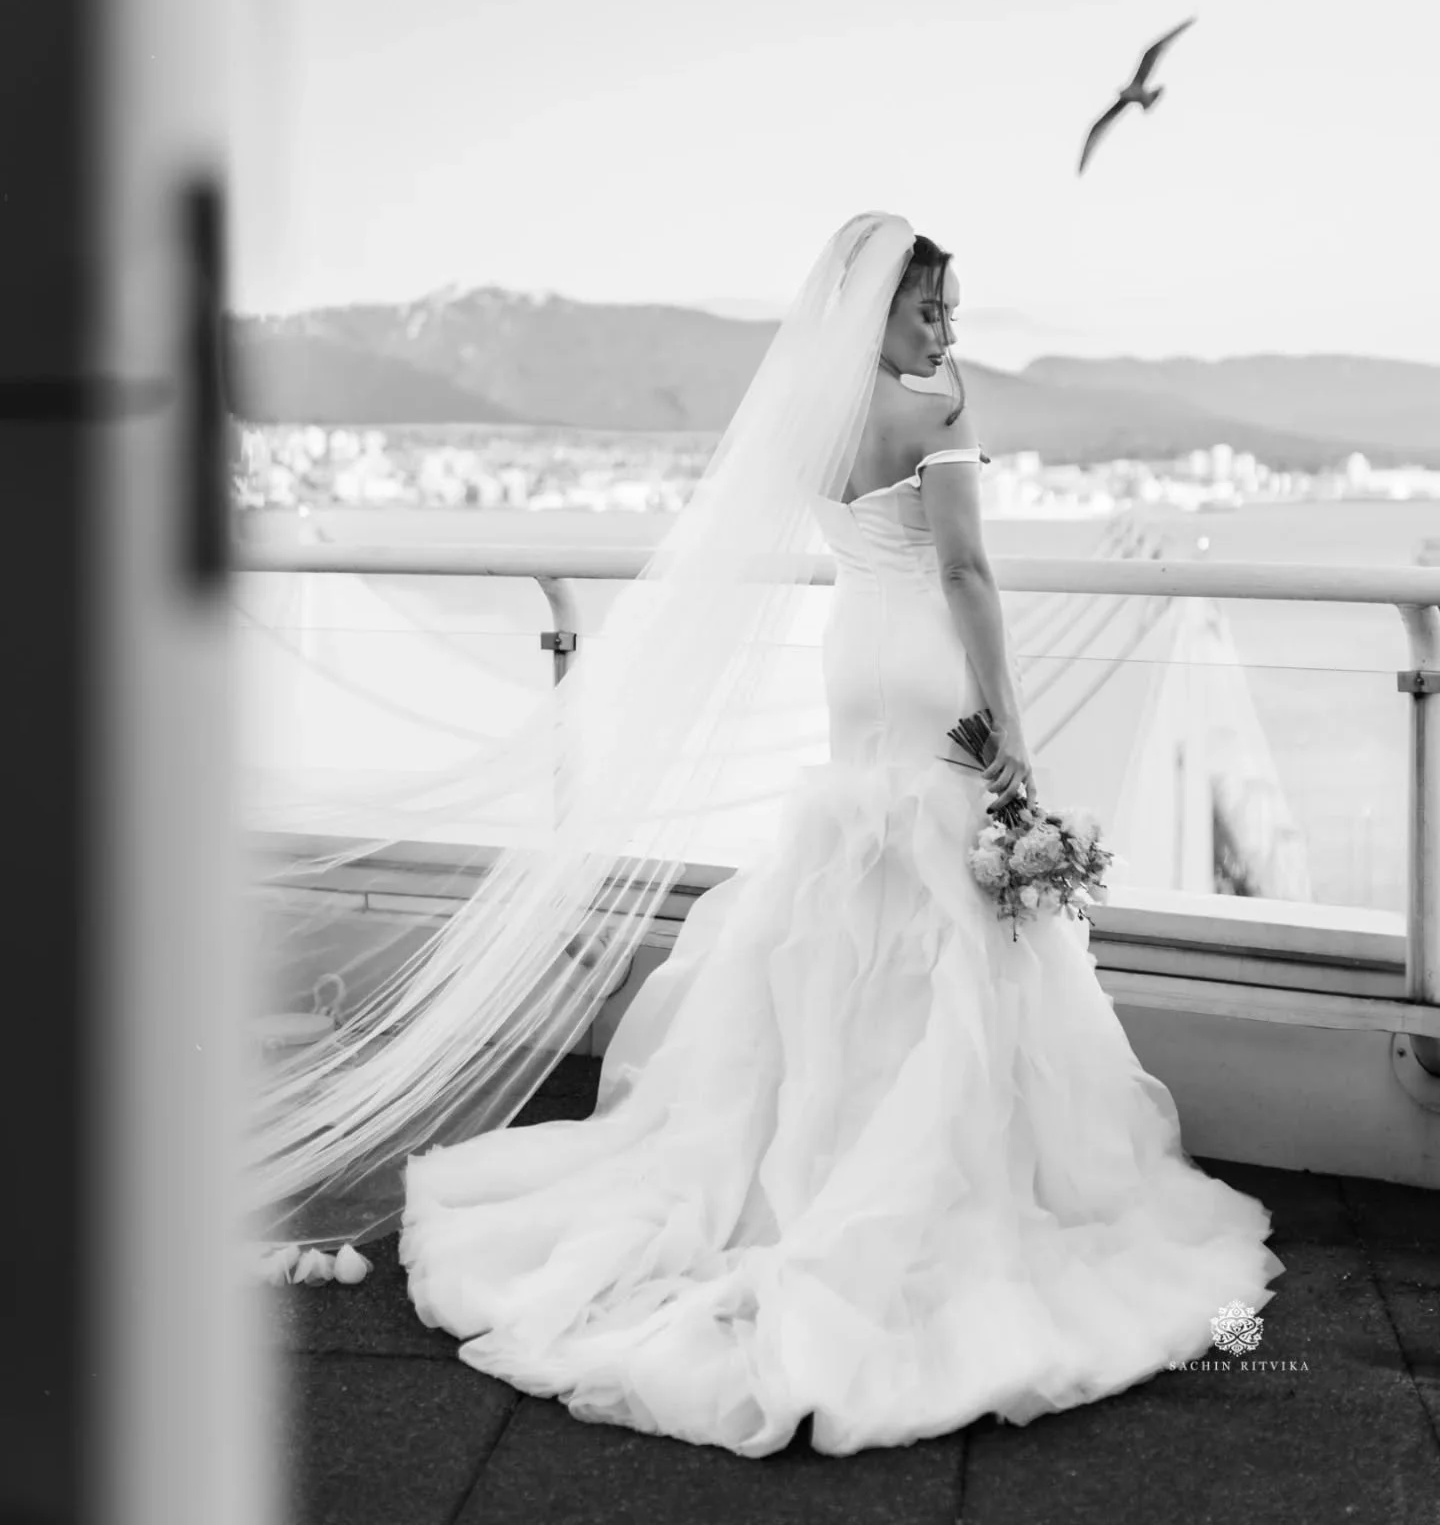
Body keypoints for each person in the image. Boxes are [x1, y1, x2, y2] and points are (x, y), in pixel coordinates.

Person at [374, 218, 1285, 1458]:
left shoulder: (817, 415)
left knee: (856, 894)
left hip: (854, 665)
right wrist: (1011, 728)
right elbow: (966, 575)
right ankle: (933, 1171)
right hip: (924, 661)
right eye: (930, 312)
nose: (948, 333)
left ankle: (818, 1148)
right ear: (881, 310)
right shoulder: (938, 415)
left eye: (953, 314)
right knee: (951, 906)